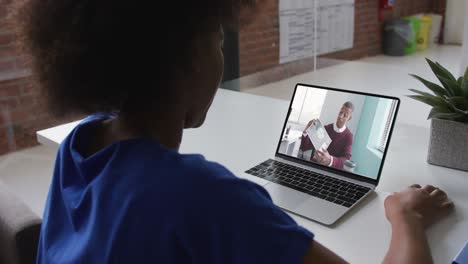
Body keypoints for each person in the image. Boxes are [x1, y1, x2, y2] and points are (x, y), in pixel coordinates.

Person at [12, 0, 454, 263]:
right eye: (218, 42)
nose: (220, 57)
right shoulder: (202, 195)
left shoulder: (80, 145)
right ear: (185, 58)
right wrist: (406, 216)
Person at [300, 102, 354, 169]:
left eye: (345, 115)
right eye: (340, 112)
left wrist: (330, 160)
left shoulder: (348, 136)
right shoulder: (325, 128)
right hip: (314, 166)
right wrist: (306, 132)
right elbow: (304, 147)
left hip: (330, 171)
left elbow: (346, 160)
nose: (340, 116)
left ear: (349, 118)